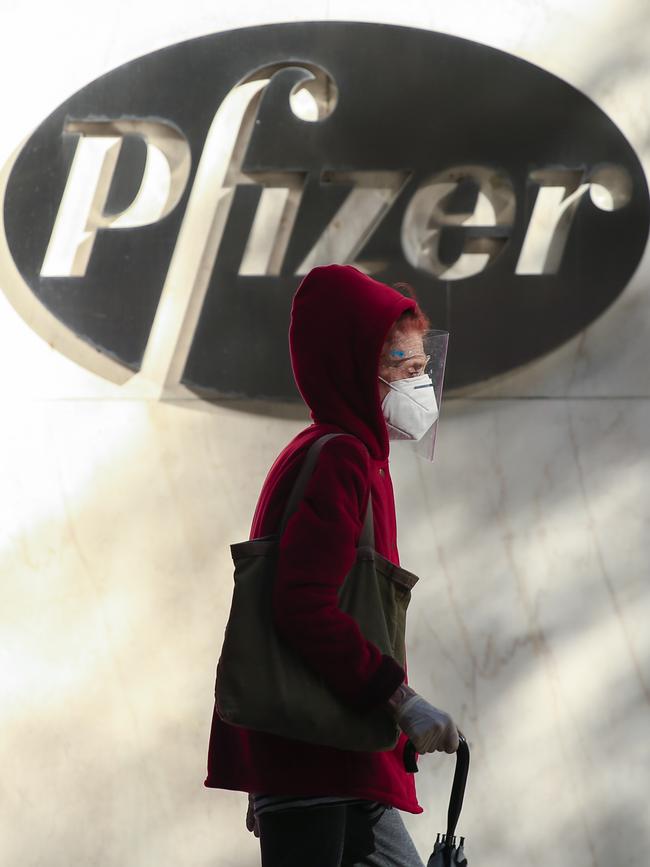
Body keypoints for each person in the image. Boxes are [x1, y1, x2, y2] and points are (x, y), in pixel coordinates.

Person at [205, 264, 460, 866]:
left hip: (333, 758)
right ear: (355, 366)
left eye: (425, 369)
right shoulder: (340, 459)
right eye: (407, 368)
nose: (420, 385)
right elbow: (303, 604)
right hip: (314, 761)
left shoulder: (335, 454)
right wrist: (398, 699)